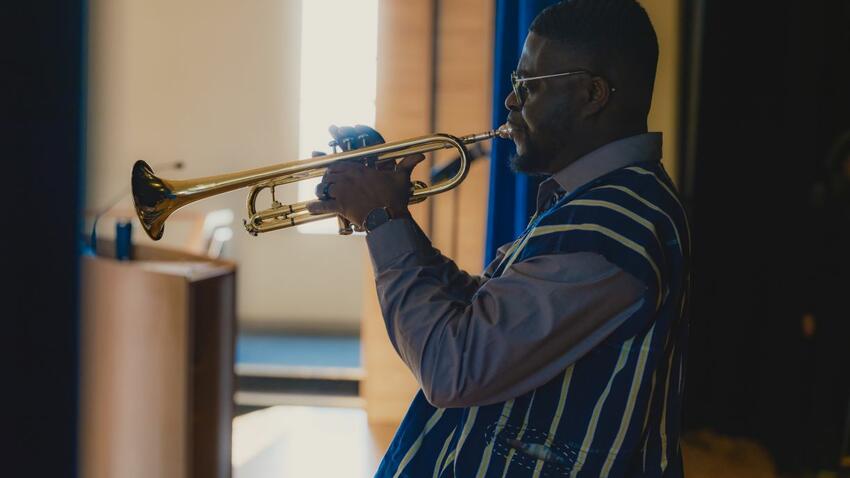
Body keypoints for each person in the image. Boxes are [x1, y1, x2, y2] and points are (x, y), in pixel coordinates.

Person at [308, 1, 691, 476]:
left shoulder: (612, 227)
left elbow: (453, 366)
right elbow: (487, 319)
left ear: (593, 94)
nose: (511, 102)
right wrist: (390, 220)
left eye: (527, 85)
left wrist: (383, 221)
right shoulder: (595, 203)